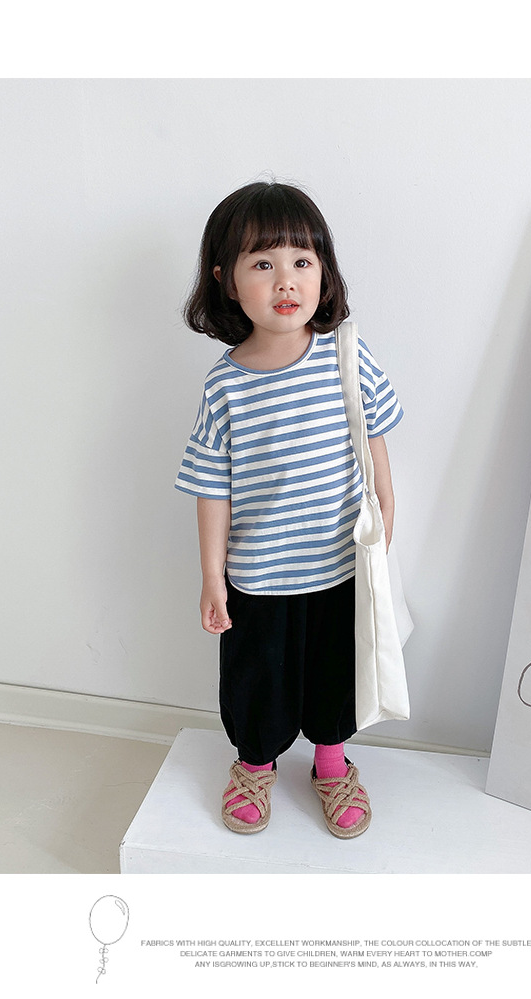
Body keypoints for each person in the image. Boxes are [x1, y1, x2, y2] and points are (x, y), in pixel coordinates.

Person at [175, 181, 403, 839]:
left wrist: (386, 529)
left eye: (302, 260)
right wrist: (212, 577)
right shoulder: (225, 385)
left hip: (338, 565)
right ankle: (255, 763)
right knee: (258, 681)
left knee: (337, 674)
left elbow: (377, 451)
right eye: (262, 263)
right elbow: (212, 488)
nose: (286, 279)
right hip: (260, 575)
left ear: (324, 271)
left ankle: (331, 764)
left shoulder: (346, 357)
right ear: (226, 280)